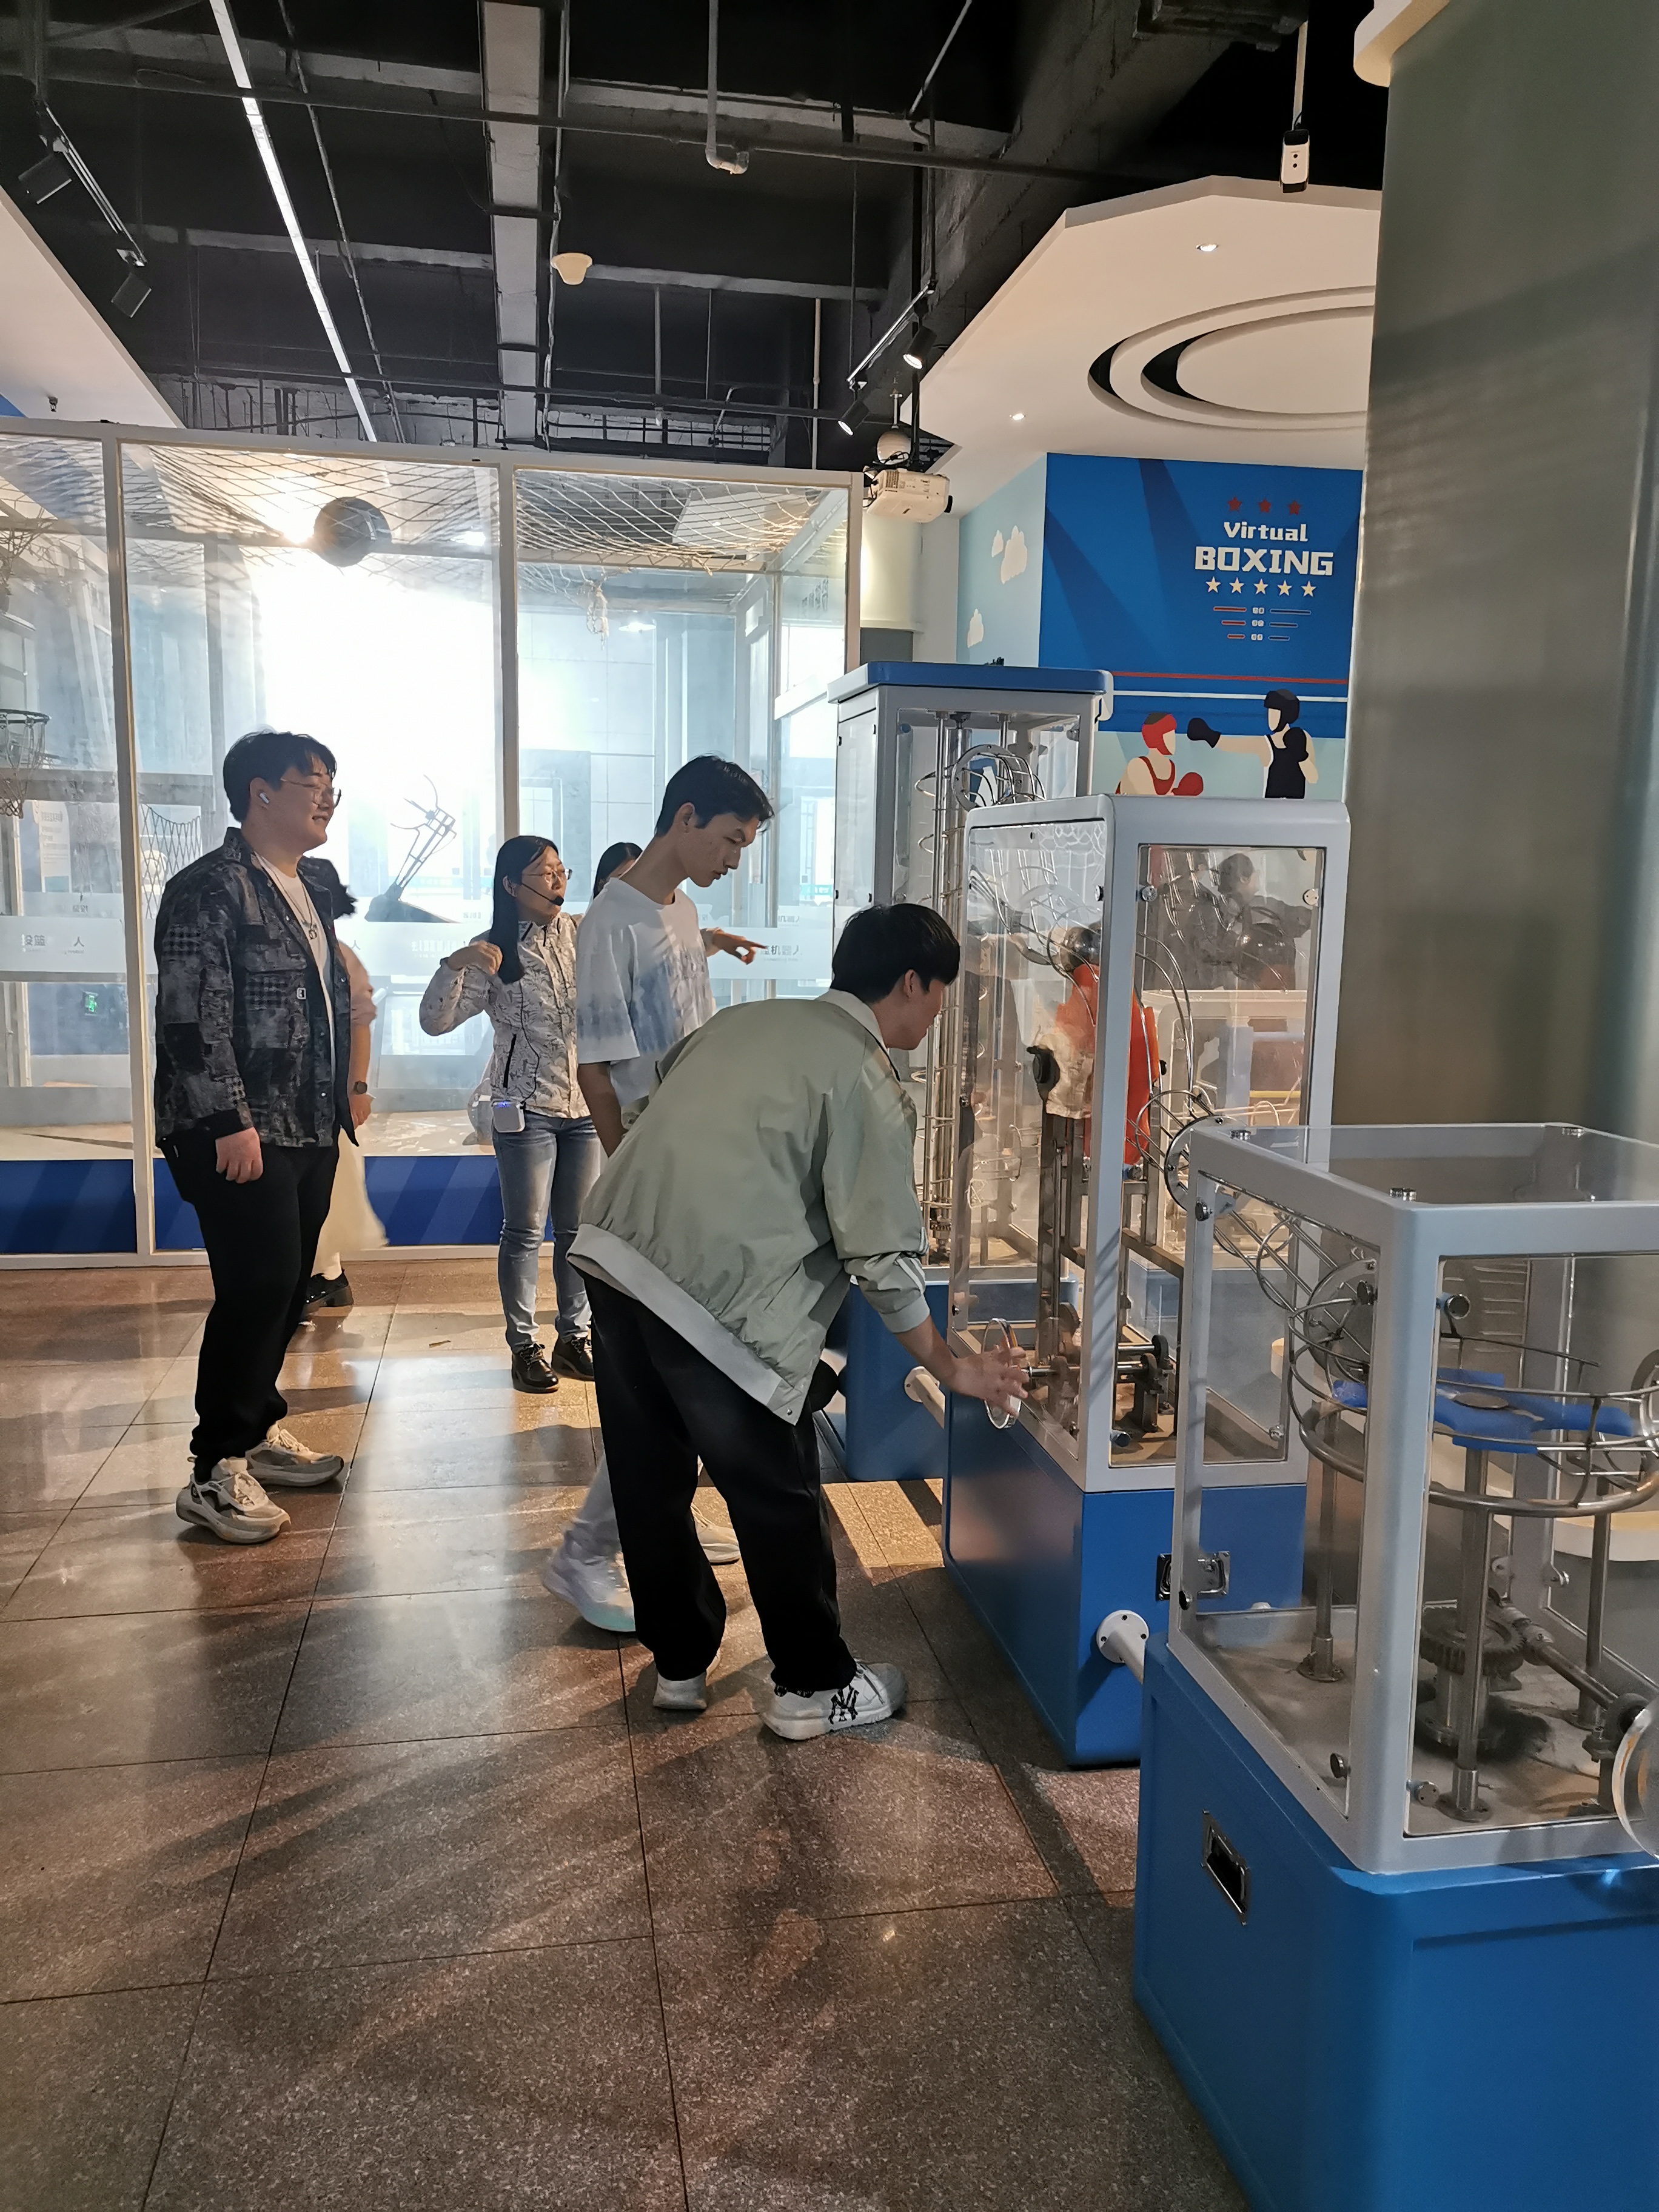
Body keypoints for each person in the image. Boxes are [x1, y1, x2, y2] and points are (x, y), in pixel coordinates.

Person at [569, 902, 1027, 1737]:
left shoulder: (743, 1023)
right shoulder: (865, 1076)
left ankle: (678, 1662)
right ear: (912, 983)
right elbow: (882, 1253)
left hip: (614, 1256)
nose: (938, 1014)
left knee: (649, 1479)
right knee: (776, 1490)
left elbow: (649, 1117)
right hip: (716, 1298)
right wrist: (949, 1364)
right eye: (941, 995)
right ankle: (815, 1686)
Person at [541, 756, 769, 1631]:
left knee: (690, 1371)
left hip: (693, 1161)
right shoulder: (611, 919)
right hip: (653, 1178)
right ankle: (588, 1550)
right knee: (671, 1380)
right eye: (730, 841)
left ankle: (652, 1519)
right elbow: (596, 1071)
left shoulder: (680, 908)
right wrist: (632, 1172)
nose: (733, 860)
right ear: (685, 818)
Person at [154, 728, 354, 1545]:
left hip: (306, 1122)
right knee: (256, 1288)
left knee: (290, 1287)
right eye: (313, 783)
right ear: (260, 792)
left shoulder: (310, 886)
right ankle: (214, 1468)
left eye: (332, 784)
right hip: (236, 1129)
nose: (327, 798)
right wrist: (229, 1120)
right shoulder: (210, 888)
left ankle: (255, 1428)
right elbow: (191, 1018)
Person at [420, 836, 598, 1390]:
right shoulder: (492, 951)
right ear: (511, 886)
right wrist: (454, 963)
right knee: (524, 1230)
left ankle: (574, 1338)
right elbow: (435, 1023)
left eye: (561, 871)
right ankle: (524, 1346)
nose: (558, 882)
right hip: (518, 1105)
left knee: (577, 1230)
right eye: (545, 874)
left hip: (584, 1105)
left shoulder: (581, 934)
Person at [301, 860, 383, 1315]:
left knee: (331, 1187)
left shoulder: (340, 956)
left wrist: (357, 1088)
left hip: (328, 1095)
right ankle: (325, 1276)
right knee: (323, 1187)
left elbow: (360, 1024)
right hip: (304, 1096)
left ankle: (324, 1275)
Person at [1187, 691, 1318, 799]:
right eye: (1269, 712)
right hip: (1271, 812)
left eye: (1275, 713)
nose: (1270, 718)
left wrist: (1301, 756)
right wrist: (1209, 735)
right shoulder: (1266, 744)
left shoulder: (1303, 738)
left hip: (1297, 812)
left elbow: (1313, 778)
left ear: (1286, 715)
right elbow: (1236, 744)